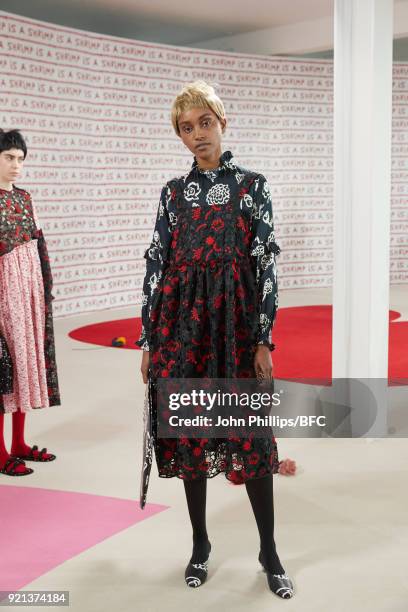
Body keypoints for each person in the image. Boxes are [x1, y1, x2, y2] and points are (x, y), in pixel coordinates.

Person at [136, 81, 294, 598]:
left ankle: (269, 549)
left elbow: (266, 264)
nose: (197, 135)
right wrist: (147, 340)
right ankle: (200, 543)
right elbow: (157, 263)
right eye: (186, 127)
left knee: (250, 438)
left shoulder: (252, 187)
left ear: (222, 122)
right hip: (182, 330)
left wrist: (263, 338)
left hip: (236, 327)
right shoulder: (173, 193)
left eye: (205, 123)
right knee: (192, 436)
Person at [0, 129, 59, 476]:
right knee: (1, 369)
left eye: (20, 159)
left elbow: (38, 243)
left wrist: (44, 290)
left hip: (28, 292)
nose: (16, 165)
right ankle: (1, 451)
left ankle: (19, 443)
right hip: (4, 292)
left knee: (21, 367)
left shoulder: (25, 198)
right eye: (8, 157)